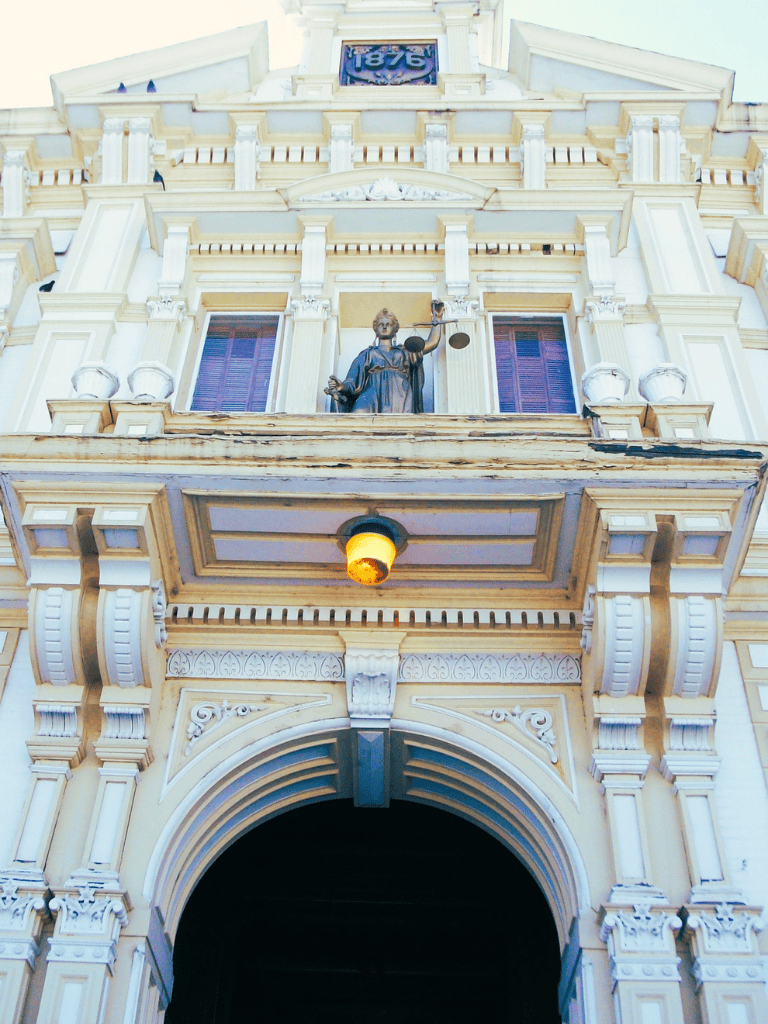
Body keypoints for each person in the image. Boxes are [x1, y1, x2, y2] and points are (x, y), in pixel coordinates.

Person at [325, 302, 443, 413]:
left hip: (400, 393)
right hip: (372, 393)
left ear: (395, 329)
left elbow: (432, 343)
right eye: (381, 324)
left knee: (401, 423)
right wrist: (341, 386)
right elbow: (352, 381)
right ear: (376, 329)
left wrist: (437, 319)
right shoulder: (367, 354)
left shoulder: (405, 351)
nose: (385, 327)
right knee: (358, 413)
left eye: (389, 324)